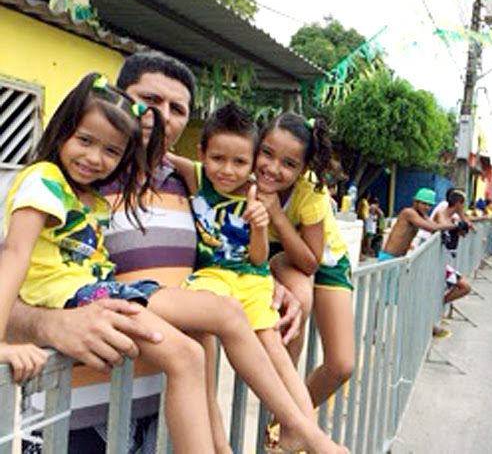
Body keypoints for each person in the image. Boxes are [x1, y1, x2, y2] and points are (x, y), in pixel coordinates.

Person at [7, 52, 331, 454]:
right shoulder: (67, 183)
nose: (161, 115)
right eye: (150, 100)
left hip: (165, 414)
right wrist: (45, 325)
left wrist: (271, 280)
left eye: (177, 108)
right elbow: (18, 269)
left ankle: (294, 425)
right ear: (120, 100)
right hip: (75, 414)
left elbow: (213, 268)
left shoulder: (191, 187)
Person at [0, 72, 219, 452]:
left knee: (220, 317)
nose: (93, 158)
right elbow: (14, 256)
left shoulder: (92, 198)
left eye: (111, 151)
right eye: (85, 140)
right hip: (80, 305)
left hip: (101, 301)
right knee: (185, 355)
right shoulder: (43, 180)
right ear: (62, 130)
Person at [166, 103, 337, 438]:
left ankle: (305, 429)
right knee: (205, 340)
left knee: (274, 347)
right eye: (218, 159)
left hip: (252, 277)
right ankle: (218, 438)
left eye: (239, 162)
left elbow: (259, 259)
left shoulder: (258, 194)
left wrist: (261, 224)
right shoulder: (197, 175)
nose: (227, 171)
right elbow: (160, 156)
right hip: (212, 276)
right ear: (202, 153)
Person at [254, 113, 355, 409]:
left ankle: (286, 420)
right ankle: (285, 401)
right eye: (267, 154)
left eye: (288, 163)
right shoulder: (240, 173)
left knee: (342, 365)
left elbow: (311, 262)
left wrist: (275, 212)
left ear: (303, 169)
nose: (273, 169)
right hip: (275, 253)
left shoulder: (312, 190)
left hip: (325, 260)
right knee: (300, 297)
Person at [380, 188, 456, 260]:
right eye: (424, 204)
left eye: (429, 205)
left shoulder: (421, 215)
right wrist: (456, 225)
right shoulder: (408, 213)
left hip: (398, 258)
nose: (426, 207)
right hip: (389, 257)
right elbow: (432, 227)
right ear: (415, 202)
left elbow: (434, 225)